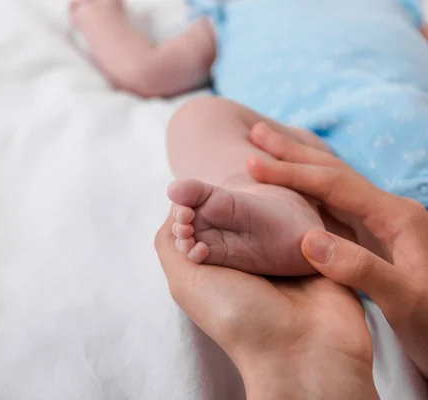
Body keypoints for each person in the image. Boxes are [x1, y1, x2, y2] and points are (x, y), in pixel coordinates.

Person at [71, 0, 428, 277]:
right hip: (308, 161)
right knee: (197, 119)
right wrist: (100, 17)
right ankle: (278, 211)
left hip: (413, 127)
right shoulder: (229, 12)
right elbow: (149, 71)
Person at [156, 126, 428, 397]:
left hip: (350, 182)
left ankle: (276, 201)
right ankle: (278, 202)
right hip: (343, 179)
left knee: (200, 120)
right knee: (202, 121)